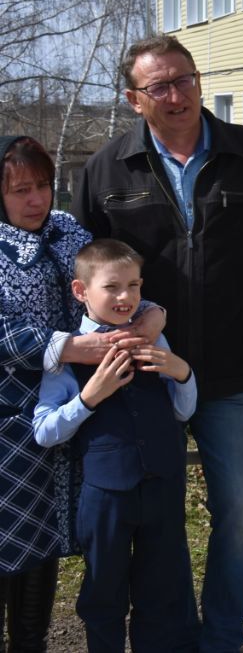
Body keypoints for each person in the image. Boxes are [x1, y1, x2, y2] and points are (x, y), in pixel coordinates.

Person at [73, 35, 243, 652]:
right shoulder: (107, 168)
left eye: (185, 79)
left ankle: (220, 639)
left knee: (241, 520)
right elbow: (85, 273)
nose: (177, 96)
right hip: (139, 378)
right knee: (155, 523)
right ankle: (166, 639)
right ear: (133, 99)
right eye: (159, 87)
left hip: (230, 372)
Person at [0, 136, 163, 651]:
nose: (36, 200)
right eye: (20, 190)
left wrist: (152, 314)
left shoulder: (69, 232)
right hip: (7, 421)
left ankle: (32, 643)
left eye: (44, 186)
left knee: (42, 539)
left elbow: (109, 284)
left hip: (67, 412)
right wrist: (69, 346)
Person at [33, 239, 198, 653]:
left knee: (161, 592)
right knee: (103, 595)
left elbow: (182, 412)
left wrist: (182, 374)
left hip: (162, 485)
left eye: (135, 285)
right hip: (106, 495)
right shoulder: (69, 354)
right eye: (112, 287)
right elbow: (44, 431)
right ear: (80, 291)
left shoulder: (155, 338)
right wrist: (89, 397)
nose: (126, 297)